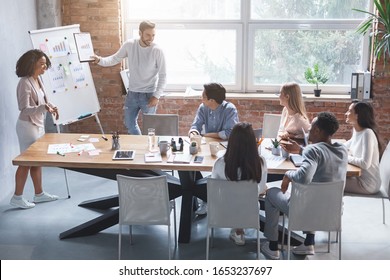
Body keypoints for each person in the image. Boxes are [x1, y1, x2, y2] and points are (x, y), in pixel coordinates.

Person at [261, 112, 348, 259]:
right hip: (333, 211)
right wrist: (301, 150)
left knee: (271, 193)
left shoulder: (313, 150)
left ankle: (273, 246)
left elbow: (303, 177)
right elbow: (321, 156)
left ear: (318, 131)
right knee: (316, 193)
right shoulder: (342, 149)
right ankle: (308, 242)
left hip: (305, 212)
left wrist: (288, 174)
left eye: (311, 128)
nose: (308, 131)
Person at [92, 20, 167, 135]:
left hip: (149, 94)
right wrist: (99, 60)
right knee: (129, 123)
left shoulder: (157, 51)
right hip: (132, 93)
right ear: (140, 33)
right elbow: (114, 59)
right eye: (148, 35)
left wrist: (156, 96)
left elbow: (163, 75)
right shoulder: (130, 45)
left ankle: (147, 150)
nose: (151, 38)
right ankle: (140, 145)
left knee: (150, 128)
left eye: (153, 35)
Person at [10, 49, 60, 209]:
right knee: (25, 162)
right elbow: (24, 109)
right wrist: (43, 107)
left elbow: (43, 101)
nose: (45, 67)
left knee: (36, 161)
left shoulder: (38, 79)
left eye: (45, 64)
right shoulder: (24, 82)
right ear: (32, 64)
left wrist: (50, 106)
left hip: (38, 125)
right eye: (41, 64)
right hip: (27, 126)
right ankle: (17, 197)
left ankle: (39, 194)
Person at [211, 122, 267, 245]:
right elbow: (261, 190)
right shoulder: (260, 162)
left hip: (223, 212)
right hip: (250, 211)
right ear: (253, 143)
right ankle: (239, 230)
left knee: (231, 198)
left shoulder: (220, 163)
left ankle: (237, 231)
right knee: (245, 199)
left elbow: (214, 191)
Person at [188, 82, 239, 215]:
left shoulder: (230, 109)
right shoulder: (203, 108)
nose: (201, 98)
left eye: (203, 96)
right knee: (191, 165)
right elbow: (195, 126)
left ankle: (211, 197)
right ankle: (205, 197)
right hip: (208, 148)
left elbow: (229, 133)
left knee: (220, 172)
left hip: (226, 150)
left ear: (211, 100)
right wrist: (193, 133)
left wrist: (206, 135)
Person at [344, 100, 382, 194]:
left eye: (349, 111)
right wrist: (328, 147)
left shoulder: (367, 133)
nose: (346, 113)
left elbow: (365, 163)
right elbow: (346, 145)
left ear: (357, 115)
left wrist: (345, 157)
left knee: (329, 181)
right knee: (331, 178)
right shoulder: (357, 131)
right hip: (359, 178)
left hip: (367, 184)